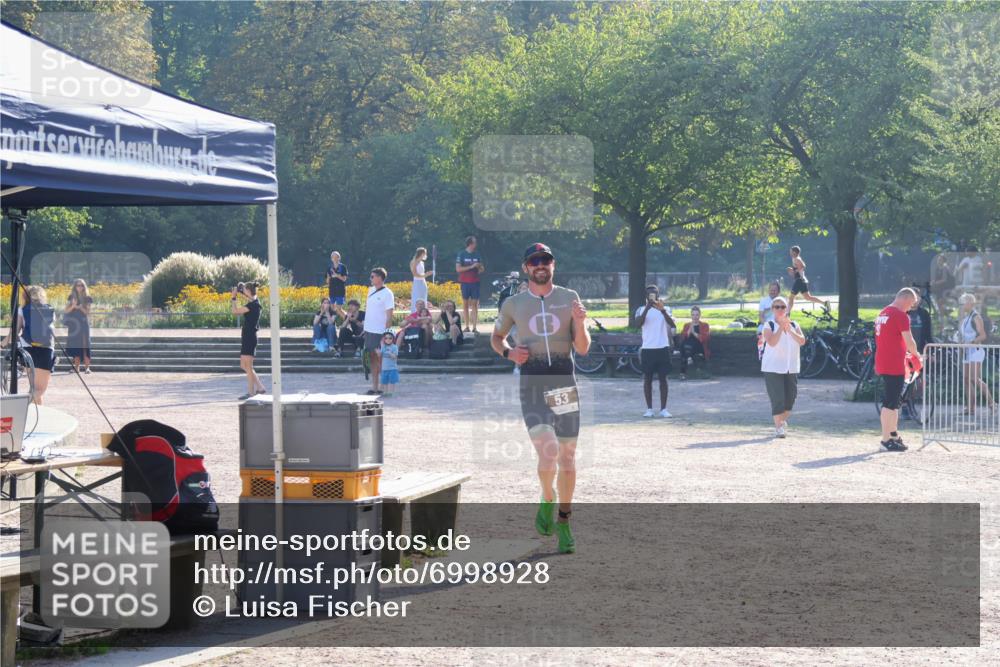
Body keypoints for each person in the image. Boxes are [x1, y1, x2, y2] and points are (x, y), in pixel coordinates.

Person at [492, 243, 590, 555]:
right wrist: (509, 352)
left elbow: (583, 348)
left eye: (545, 260)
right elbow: (496, 338)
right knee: (548, 454)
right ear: (526, 267)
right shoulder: (513, 303)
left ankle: (564, 520)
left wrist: (582, 322)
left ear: (553, 265)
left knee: (568, 458)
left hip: (563, 382)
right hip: (533, 383)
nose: (540, 265)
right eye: (534, 261)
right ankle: (547, 497)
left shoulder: (569, 298)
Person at [874, 287, 921, 451]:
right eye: (911, 304)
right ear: (906, 299)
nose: (911, 308)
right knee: (890, 403)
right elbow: (909, 341)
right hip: (894, 364)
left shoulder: (883, 313)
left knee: (893, 402)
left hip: (883, 361)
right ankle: (886, 440)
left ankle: (893, 435)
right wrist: (918, 356)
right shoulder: (901, 315)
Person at [759, 296, 805, 438]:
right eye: (777, 307)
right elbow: (771, 342)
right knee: (778, 398)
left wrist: (789, 329)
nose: (780, 309)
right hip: (773, 367)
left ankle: (781, 422)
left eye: (783, 307)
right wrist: (780, 327)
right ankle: (779, 427)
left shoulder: (794, 324)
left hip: (791, 367)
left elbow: (802, 341)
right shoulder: (769, 325)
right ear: (772, 309)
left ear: (787, 309)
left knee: (790, 398)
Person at [2, 286, 56, 404]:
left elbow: (15, 331)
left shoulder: (23, 309)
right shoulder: (50, 310)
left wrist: (3, 342)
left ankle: (38, 416)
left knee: (34, 389)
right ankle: (18, 406)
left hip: (27, 349)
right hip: (45, 350)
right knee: (39, 389)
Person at [635, 285, 675, 418]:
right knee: (648, 379)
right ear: (646, 296)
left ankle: (664, 409)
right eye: (649, 294)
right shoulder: (641, 309)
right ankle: (649, 409)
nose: (652, 296)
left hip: (662, 347)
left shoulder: (666, 309)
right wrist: (647, 308)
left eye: (654, 294)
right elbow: (638, 324)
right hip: (647, 348)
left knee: (663, 379)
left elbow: (673, 324)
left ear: (658, 295)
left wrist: (662, 310)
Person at [956, 293, 995, 415]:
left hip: (976, 351)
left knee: (974, 378)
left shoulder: (976, 317)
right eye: (961, 303)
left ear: (970, 303)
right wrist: (962, 343)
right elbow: (964, 335)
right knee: (967, 379)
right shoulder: (966, 318)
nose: (962, 305)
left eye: (964, 303)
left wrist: (971, 343)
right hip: (967, 351)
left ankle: (992, 403)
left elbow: (983, 335)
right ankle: (971, 408)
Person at [231, 282, 266, 400]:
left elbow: (235, 311)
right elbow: (250, 296)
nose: (243, 291)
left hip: (250, 337)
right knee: (244, 365)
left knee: (248, 366)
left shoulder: (254, 305)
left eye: (245, 289)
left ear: (249, 291)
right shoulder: (253, 302)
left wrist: (234, 297)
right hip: (247, 336)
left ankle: (251, 393)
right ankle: (260, 387)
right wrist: (242, 290)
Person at [363, 268, 395, 395]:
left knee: (382, 360)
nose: (370, 278)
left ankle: (384, 387)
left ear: (380, 278)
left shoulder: (388, 293)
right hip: (369, 330)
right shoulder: (370, 290)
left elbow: (389, 316)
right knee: (371, 360)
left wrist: (386, 334)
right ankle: (374, 387)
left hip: (380, 332)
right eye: (370, 276)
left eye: (373, 276)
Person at [786, 246, 828, 311]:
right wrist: (794, 270)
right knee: (808, 297)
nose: (790, 253)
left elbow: (802, 266)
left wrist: (798, 273)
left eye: (791, 251)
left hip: (799, 280)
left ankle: (787, 313)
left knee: (791, 298)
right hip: (801, 280)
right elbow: (802, 266)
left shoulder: (796, 259)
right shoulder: (797, 258)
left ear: (794, 252)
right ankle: (825, 303)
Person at [64, 278, 93, 373]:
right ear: (75, 287)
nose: (79, 287)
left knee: (85, 345)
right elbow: (66, 311)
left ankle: (87, 367)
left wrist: (79, 307)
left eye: (81, 285)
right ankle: (76, 368)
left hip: (83, 323)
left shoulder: (87, 298)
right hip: (74, 324)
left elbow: (87, 312)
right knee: (75, 345)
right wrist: (73, 306)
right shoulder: (71, 297)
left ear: (84, 287)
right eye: (78, 285)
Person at [456, 235, 484, 334]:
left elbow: (482, 269)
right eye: (475, 242)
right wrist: (471, 266)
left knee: (475, 305)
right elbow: (458, 269)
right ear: (470, 244)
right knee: (465, 305)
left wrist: (479, 268)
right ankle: (467, 326)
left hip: (475, 282)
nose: (476, 244)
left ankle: (475, 327)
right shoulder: (462, 254)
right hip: (465, 282)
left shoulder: (477, 254)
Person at [677, 306, 711, 380]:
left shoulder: (705, 325)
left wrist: (694, 333)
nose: (695, 317)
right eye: (693, 315)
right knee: (686, 344)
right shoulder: (687, 325)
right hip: (688, 347)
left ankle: (682, 373)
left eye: (697, 315)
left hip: (700, 347)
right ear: (691, 315)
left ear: (700, 315)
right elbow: (682, 338)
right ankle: (688, 357)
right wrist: (689, 331)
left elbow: (705, 338)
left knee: (686, 346)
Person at [409, 247, 434, 312]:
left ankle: (423, 313)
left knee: (423, 297)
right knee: (417, 297)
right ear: (422, 253)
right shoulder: (414, 262)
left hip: (423, 282)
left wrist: (425, 274)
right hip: (417, 282)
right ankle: (415, 312)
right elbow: (415, 274)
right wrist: (426, 275)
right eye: (425, 253)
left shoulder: (422, 262)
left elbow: (421, 273)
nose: (426, 255)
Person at [378, 330, 400, 397]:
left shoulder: (394, 347)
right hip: (384, 368)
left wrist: (391, 354)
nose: (388, 340)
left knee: (392, 381)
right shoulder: (383, 346)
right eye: (386, 338)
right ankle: (385, 392)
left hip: (392, 368)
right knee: (384, 381)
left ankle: (391, 392)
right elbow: (380, 355)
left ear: (393, 339)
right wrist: (378, 352)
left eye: (390, 338)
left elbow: (395, 357)